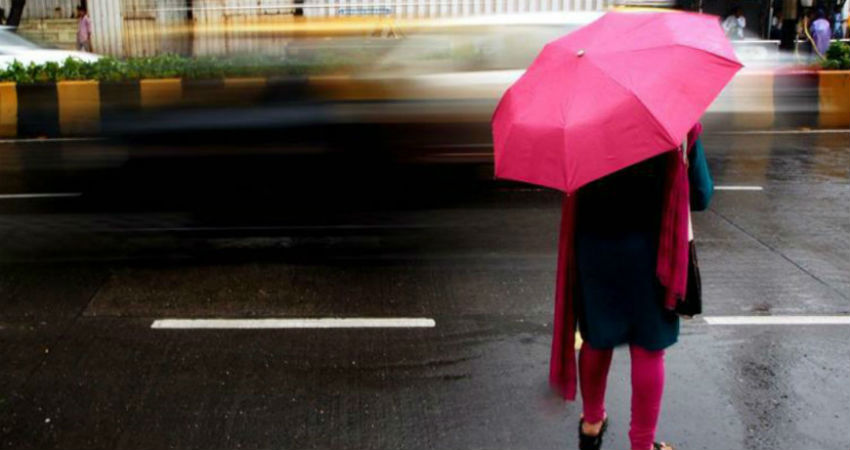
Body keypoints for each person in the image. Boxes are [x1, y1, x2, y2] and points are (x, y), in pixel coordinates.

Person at [550, 124, 714, 450]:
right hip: (653, 252)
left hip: (595, 246)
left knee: (597, 337)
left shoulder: (583, 121)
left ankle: (592, 423)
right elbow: (700, 194)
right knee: (649, 347)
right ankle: (642, 445)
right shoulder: (674, 120)